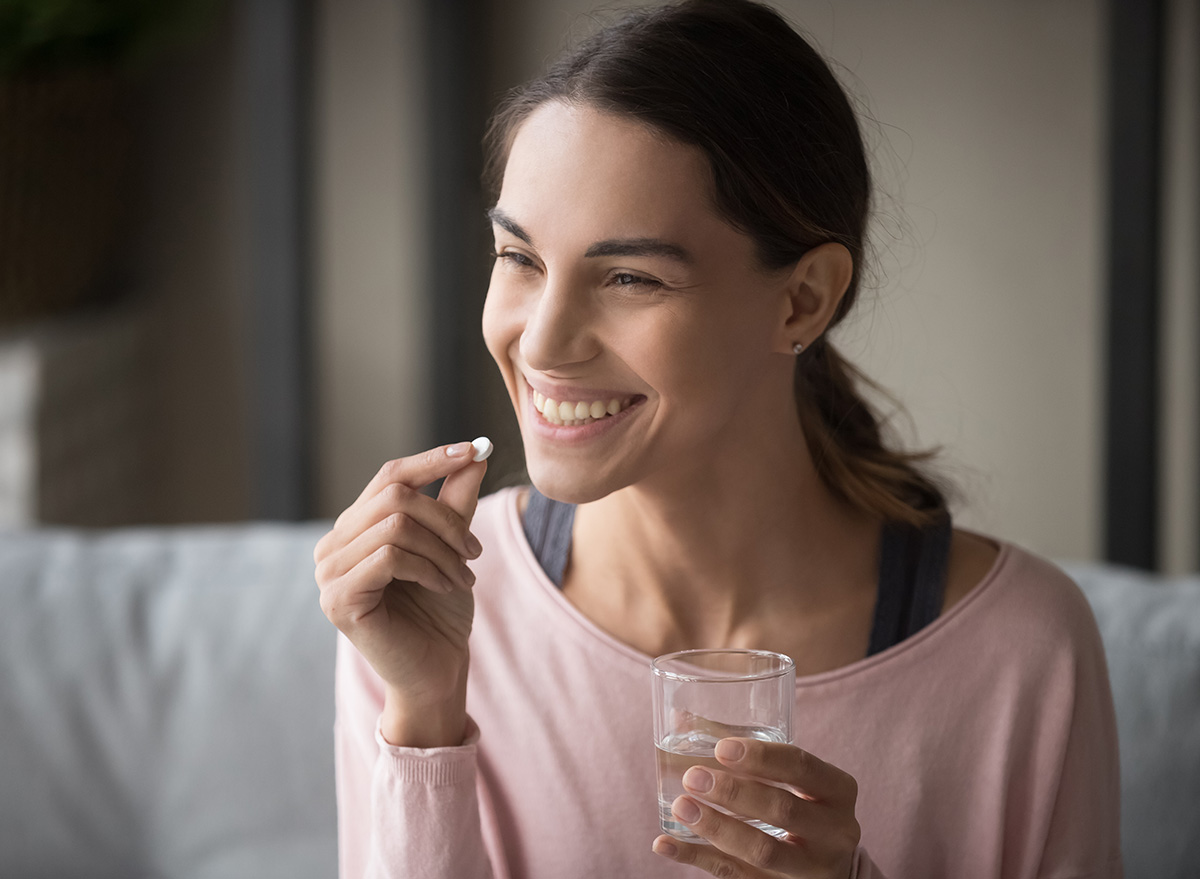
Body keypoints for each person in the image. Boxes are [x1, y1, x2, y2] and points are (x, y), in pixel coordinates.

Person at [314, 1, 1123, 876]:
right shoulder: (428, 609)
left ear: (802, 300)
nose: (541, 342)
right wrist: (424, 715)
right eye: (520, 258)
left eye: (628, 276)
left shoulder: (1022, 654)